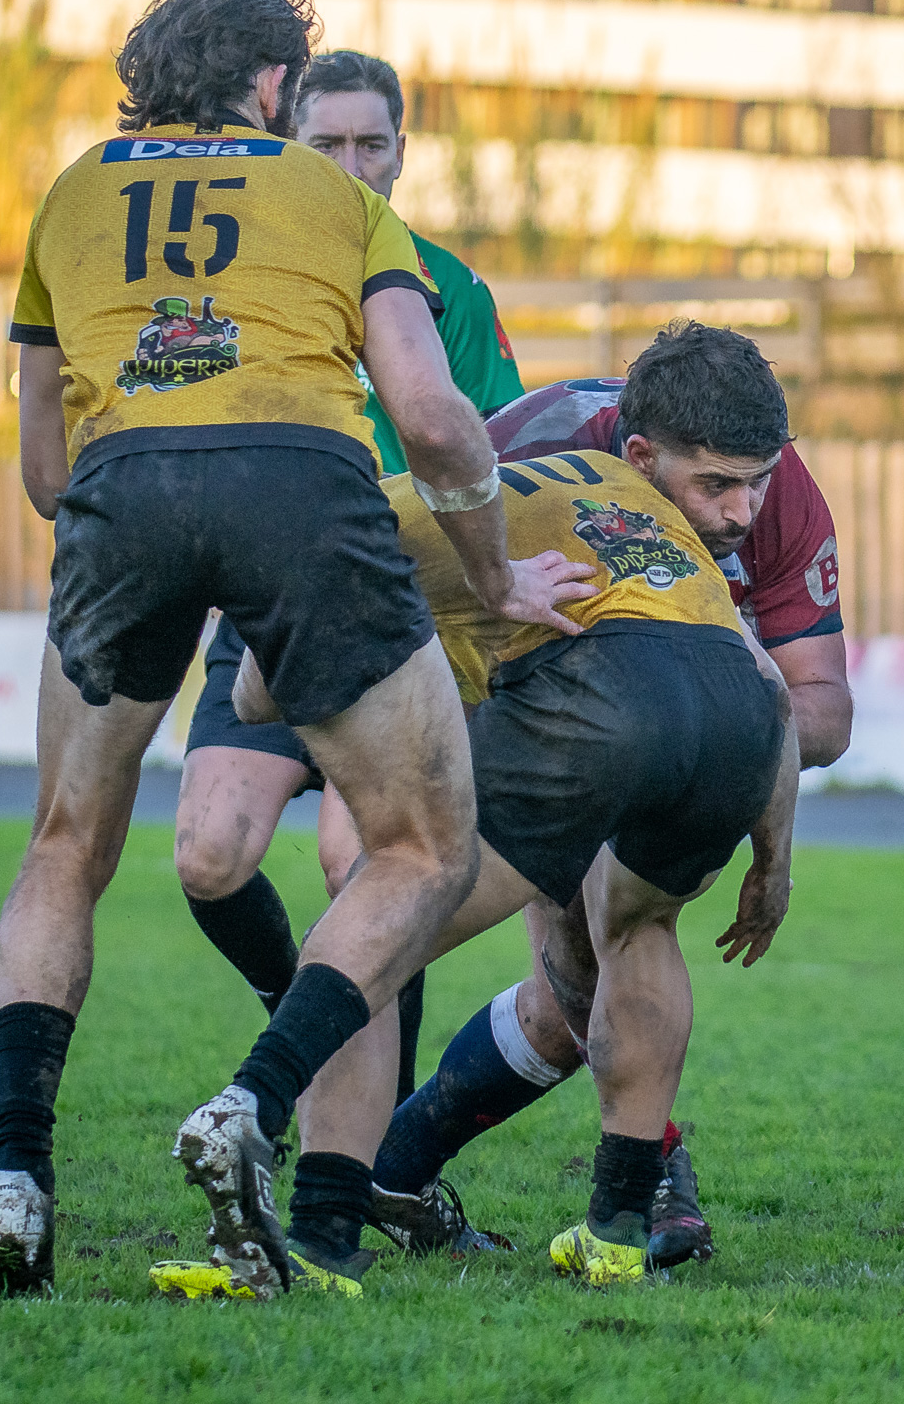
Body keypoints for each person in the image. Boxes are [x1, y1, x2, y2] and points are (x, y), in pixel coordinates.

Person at [0, 0, 587, 1297]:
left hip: (119, 494)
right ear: (270, 86)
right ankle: (254, 1100)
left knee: (64, 847)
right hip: (305, 498)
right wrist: (492, 574)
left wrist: (138, 518)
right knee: (422, 849)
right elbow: (434, 420)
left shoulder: (70, 195)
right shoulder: (339, 200)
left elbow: (42, 464)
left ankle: (16, 1173)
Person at [180, 444, 795, 1297]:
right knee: (639, 928)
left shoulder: (379, 506)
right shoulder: (633, 498)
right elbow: (776, 689)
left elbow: (257, 700)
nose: (740, 509)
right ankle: (617, 1234)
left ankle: (284, 1170)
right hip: (737, 722)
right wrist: (774, 863)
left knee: (372, 929)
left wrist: (266, 623)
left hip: (602, 703)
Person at [367, 324, 852, 1269]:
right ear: (639, 457)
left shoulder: (777, 486)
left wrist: (700, 705)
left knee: (568, 1005)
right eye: (717, 486)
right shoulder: (523, 455)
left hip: (687, 733)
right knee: (580, 976)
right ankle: (642, 1188)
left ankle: (393, 1170)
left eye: (757, 480)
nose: (745, 510)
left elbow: (824, 711)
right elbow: (418, 625)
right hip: (535, 715)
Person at [173, 49, 524, 1114]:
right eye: (326, 142)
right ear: (289, 149)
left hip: (400, 611)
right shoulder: (235, 278)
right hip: (268, 603)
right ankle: (305, 1016)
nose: (351, 163)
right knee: (209, 859)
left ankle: (364, 1160)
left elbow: (499, 445)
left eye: (372, 143)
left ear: (402, 154)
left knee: (359, 863)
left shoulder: (450, 288)